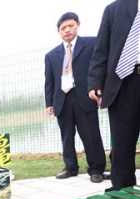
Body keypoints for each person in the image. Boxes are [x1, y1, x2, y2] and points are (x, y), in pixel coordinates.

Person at [44, 12, 106, 183]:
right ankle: (70, 167)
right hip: (62, 99)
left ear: (78, 24)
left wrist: (99, 88)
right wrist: (49, 102)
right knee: (66, 135)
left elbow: (99, 66)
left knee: (91, 134)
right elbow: (49, 81)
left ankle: (96, 169)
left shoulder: (91, 43)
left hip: (84, 96)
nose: (67, 30)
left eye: (70, 25)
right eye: (63, 28)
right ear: (59, 32)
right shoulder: (51, 55)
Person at [88, 0, 140, 192]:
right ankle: (122, 191)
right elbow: (101, 48)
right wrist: (95, 82)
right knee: (122, 143)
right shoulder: (114, 9)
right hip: (124, 80)